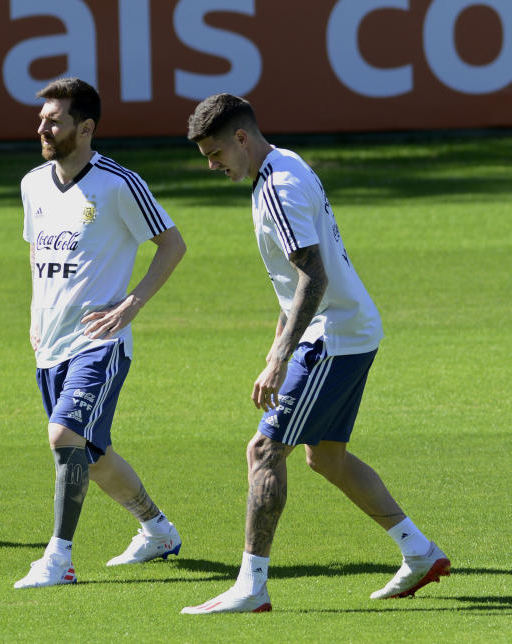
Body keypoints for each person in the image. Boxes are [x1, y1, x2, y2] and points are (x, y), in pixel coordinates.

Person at [181, 94, 449, 613]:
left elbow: (314, 276)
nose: (211, 166)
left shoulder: (278, 186)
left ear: (241, 139)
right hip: (346, 329)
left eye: (214, 154)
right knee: (325, 456)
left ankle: (251, 587)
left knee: (264, 451)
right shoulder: (280, 167)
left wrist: (281, 355)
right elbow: (297, 277)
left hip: (334, 336)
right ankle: (419, 552)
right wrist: (278, 339)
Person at [13, 78, 187, 589]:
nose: (42, 126)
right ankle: (157, 529)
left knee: (63, 437)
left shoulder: (118, 184)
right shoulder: (32, 183)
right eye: (42, 117)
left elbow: (172, 245)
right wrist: (34, 317)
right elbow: (36, 252)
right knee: (91, 454)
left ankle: (58, 558)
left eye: (55, 120)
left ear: (86, 128)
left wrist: (130, 305)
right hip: (50, 343)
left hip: (99, 342)